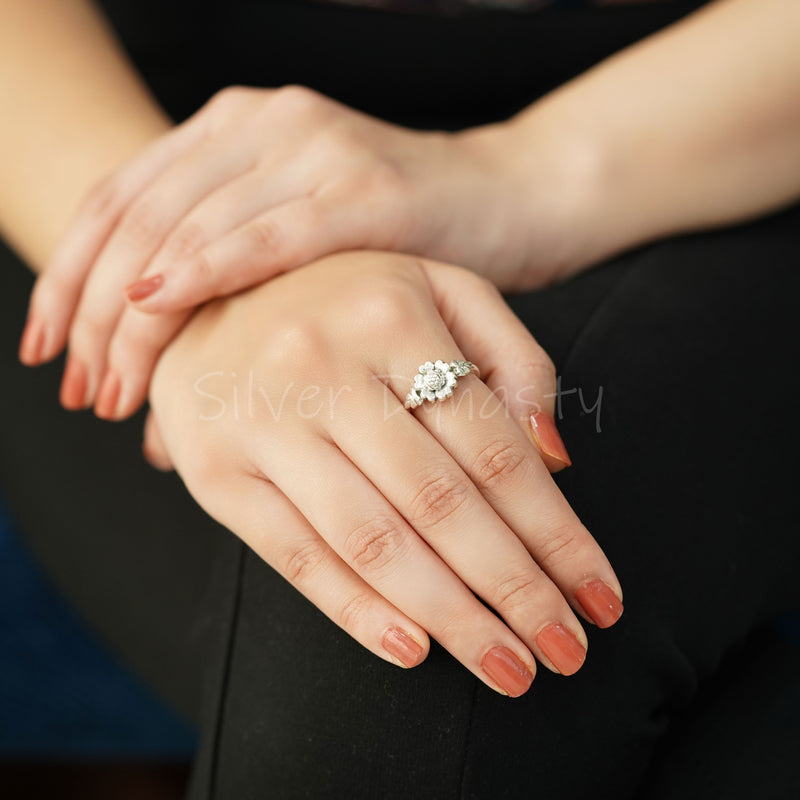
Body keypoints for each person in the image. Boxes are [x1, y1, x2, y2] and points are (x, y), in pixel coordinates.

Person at [1, 0, 799, 797]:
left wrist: (523, 171)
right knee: (410, 635)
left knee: (464, 628)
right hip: (134, 150)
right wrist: (200, 265)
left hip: (719, 150)